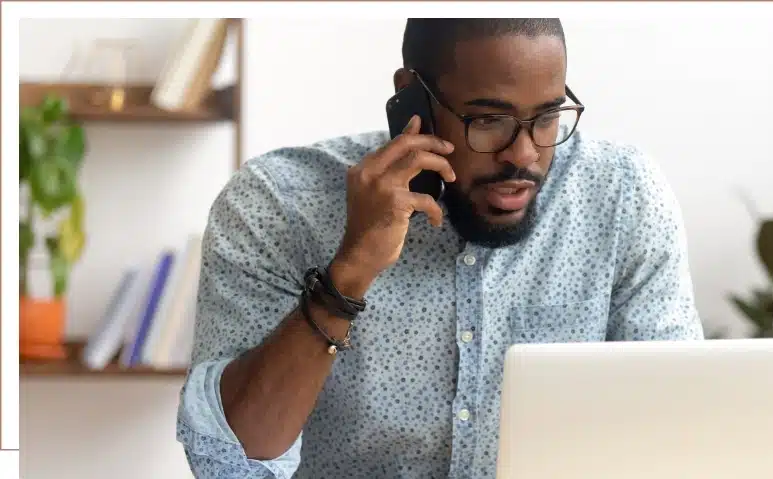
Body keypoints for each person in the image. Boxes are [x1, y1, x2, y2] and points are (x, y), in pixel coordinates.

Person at [176, 18, 703, 479]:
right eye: (488, 120)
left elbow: (682, 427)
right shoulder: (279, 204)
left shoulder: (622, 197)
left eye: (546, 117)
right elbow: (230, 462)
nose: (524, 155)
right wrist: (350, 273)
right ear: (412, 97)